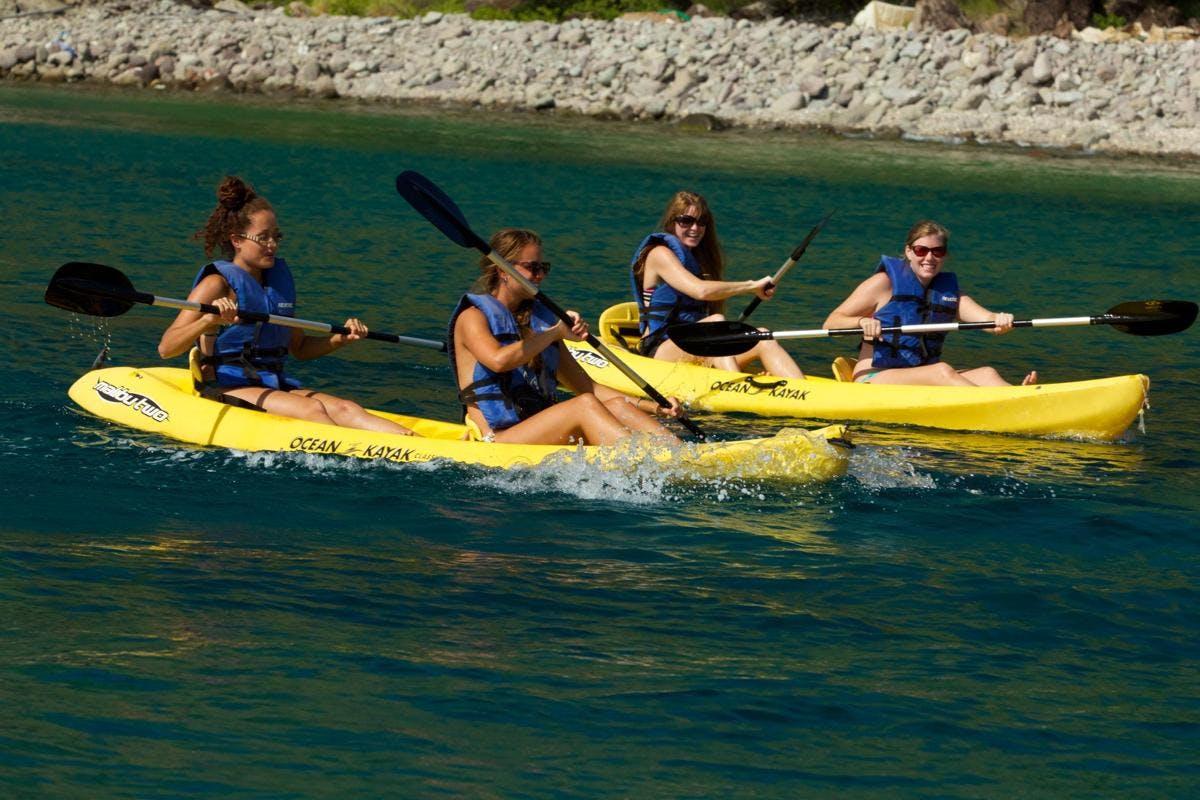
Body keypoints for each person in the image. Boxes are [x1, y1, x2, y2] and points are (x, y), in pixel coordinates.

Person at [158, 175, 414, 434]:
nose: (272, 246)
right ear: (237, 240)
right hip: (226, 386)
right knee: (312, 411)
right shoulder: (216, 284)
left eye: (276, 237)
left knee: (347, 409)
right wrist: (207, 321)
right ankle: (359, 451)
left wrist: (339, 340)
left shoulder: (275, 286)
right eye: (263, 238)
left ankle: (415, 443)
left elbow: (299, 348)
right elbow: (167, 348)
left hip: (273, 384)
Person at [448, 228, 685, 446]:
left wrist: (655, 406)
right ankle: (646, 465)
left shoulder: (539, 322)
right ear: (503, 270)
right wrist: (555, 333)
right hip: (496, 439)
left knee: (616, 406)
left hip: (537, 429)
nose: (540, 276)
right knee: (583, 406)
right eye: (532, 267)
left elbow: (589, 388)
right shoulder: (473, 317)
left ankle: (679, 455)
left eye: (544, 268)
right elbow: (499, 361)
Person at [823, 220, 1037, 386]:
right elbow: (831, 323)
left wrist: (1001, 319)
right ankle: (1002, 407)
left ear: (945, 255)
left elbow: (989, 322)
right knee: (942, 371)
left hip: (922, 376)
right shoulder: (882, 283)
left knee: (987, 374)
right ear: (908, 251)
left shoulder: (948, 293)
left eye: (938, 251)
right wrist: (861, 322)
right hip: (874, 376)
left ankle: (1021, 398)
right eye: (921, 250)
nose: (929, 257)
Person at [630, 190, 804, 378]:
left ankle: (804, 393)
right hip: (660, 351)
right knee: (716, 322)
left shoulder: (699, 260)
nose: (695, 228)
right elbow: (701, 291)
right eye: (686, 221)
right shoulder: (660, 254)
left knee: (762, 337)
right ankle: (739, 386)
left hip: (698, 347)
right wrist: (751, 286)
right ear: (672, 222)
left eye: (702, 221)